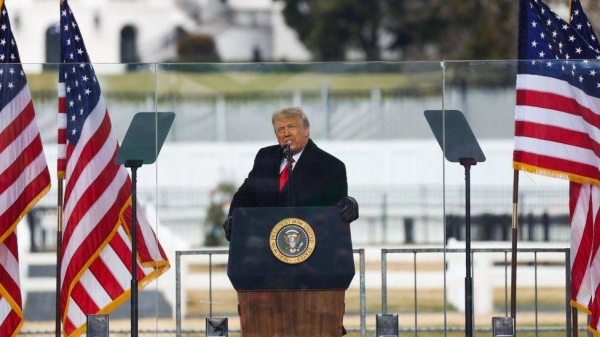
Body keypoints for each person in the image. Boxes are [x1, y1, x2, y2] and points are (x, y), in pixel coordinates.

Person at [222, 107, 358, 241]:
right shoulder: (265, 157)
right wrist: (234, 217)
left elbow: (337, 211)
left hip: (310, 250)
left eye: (292, 127)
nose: (286, 133)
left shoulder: (331, 166)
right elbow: (246, 194)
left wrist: (349, 204)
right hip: (265, 246)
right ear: (276, 135)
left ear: (306, 130)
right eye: (280, 129)